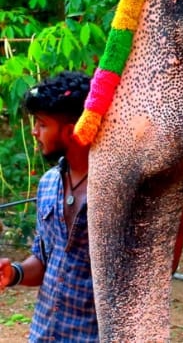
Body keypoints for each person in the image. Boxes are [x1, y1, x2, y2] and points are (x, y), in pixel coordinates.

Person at [0, 71, 97, 342]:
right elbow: (44, 259)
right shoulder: (48, 184)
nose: (34, 131)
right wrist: (14, 273)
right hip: (42, 335)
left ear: (70, 130)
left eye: (42, 123)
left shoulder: (114, 192)